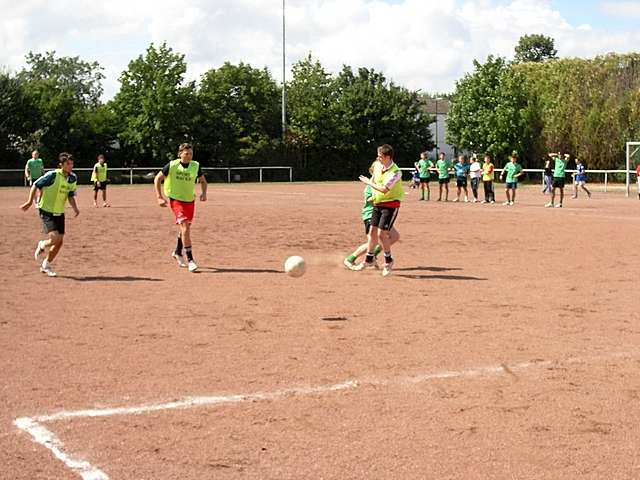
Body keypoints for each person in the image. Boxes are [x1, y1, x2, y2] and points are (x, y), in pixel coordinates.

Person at [20, 153, 80, 277]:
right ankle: (42, 244)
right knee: (54, 238)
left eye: (72, 163)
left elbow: (70, 195)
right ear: (61, 165)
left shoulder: (73, 178)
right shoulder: (52, 175)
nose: (70, 166)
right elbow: (36, 185)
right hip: (46, 211)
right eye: (68, 163)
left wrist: (75, 208)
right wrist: (30, 201)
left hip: (59, 212)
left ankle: (46, 265)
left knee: (59, 242)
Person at [154, 143, 207, 273]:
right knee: (184, 226)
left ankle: (177, 252)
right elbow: (157, 179)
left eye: (191, 153)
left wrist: (204, 193)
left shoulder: (196, 166)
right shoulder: (172, 165)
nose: (189, 156)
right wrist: (159, 197)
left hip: (190, 200)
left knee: (185, 229)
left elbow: (203, 181)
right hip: (176, 200)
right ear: (180, 154)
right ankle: (190, 260)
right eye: (186, 153)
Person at [355, 144, 404, 277]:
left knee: (383, 234)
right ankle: (368, 259)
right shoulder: (377, 165)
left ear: (388, 157)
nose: (378, 158)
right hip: (378, 203)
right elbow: (375, 178)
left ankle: (388, 261)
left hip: (391, 205)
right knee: (372, 232)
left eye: (380, 156)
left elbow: (384, 189)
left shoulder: (396, 172)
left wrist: (367, 183)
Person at [344, 162, 394, 269]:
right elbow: (370, 200)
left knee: (394, 236)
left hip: (382, 214)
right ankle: (350, 259)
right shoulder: (371, 185)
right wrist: (385, 196)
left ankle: (372, 256)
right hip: (370, 214)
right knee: (373, 242)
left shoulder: (378, 183)